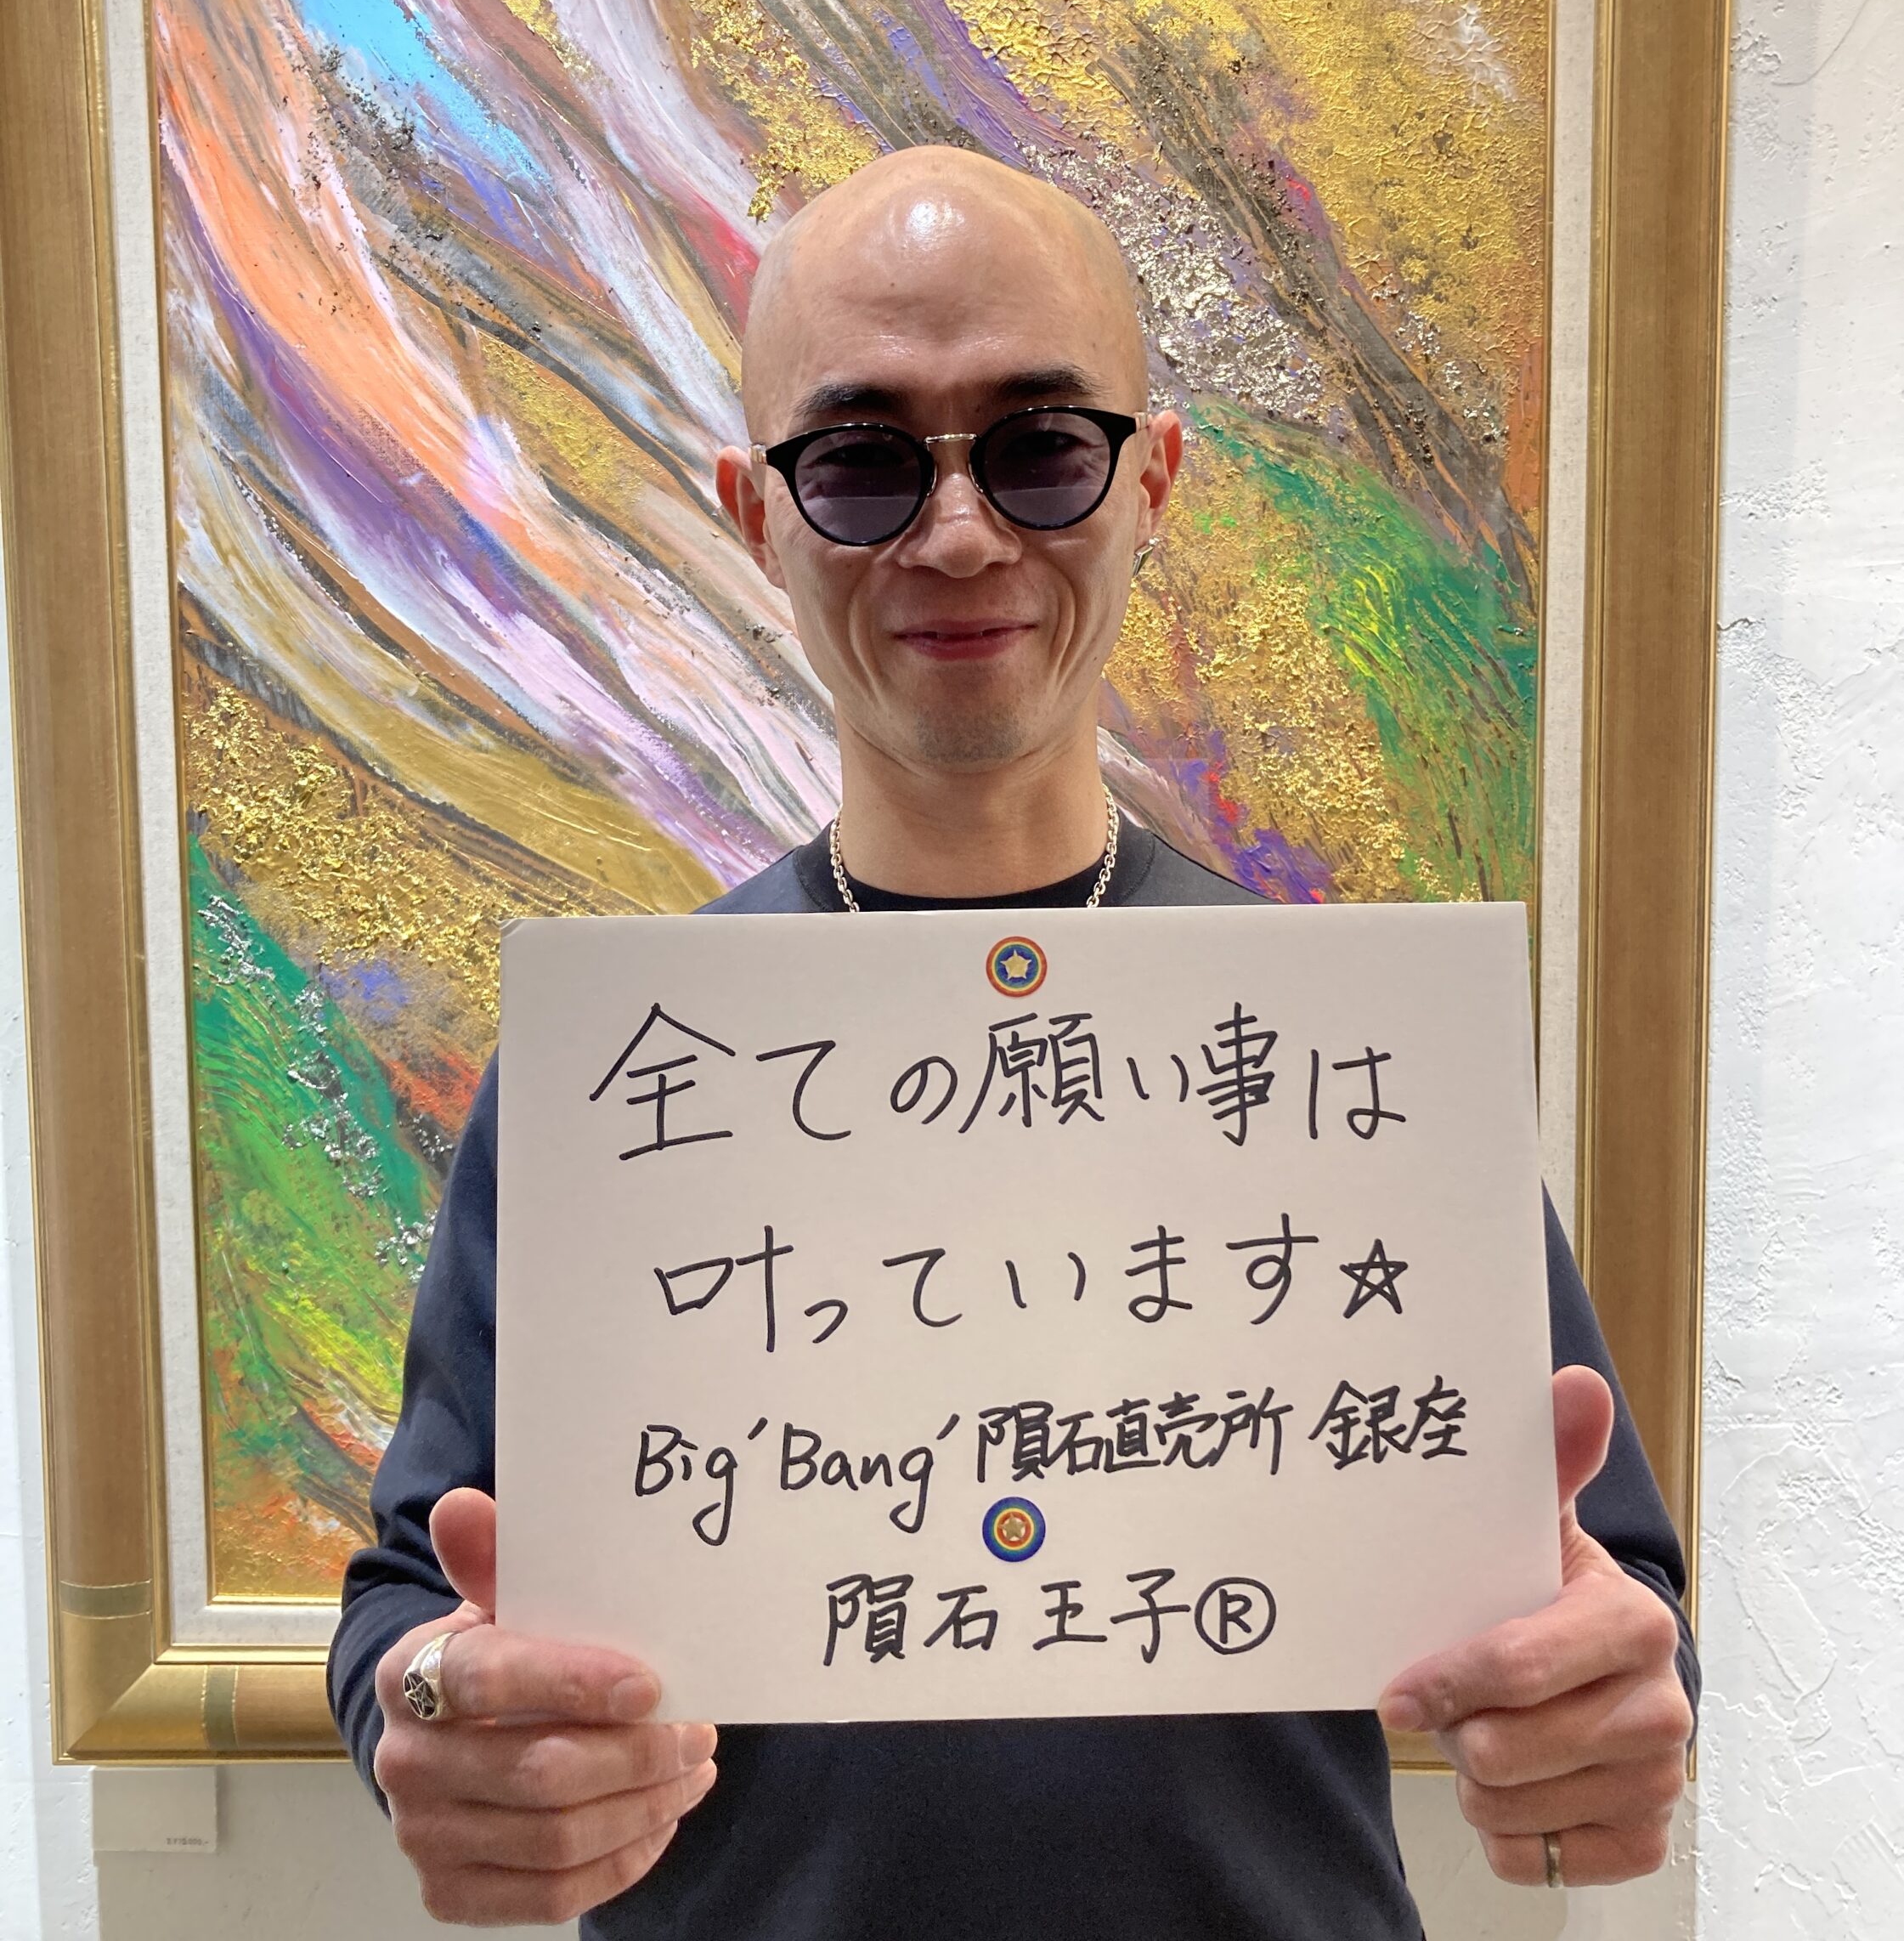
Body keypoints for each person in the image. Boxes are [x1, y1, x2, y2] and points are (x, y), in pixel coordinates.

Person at [329, 147, 1697, 1938]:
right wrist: (430, 1707)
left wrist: (1609, 1697)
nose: (960, 533)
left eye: (1041, 447)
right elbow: (406, 1596)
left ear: (1152, 482)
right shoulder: (625, 1073)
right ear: (757, 512)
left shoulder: (1345, 1050)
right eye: (861, 460)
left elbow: (1614, 1583)